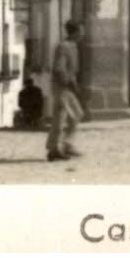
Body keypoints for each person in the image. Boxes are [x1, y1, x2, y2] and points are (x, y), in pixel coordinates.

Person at [46, 20, 84, 161]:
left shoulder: (73, 46)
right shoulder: (63, 47)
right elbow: (59, 68)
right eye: (81, 31)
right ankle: (55, 148)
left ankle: (65, 144)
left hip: (68, 86)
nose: (82, 34)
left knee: (76, 114)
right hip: (62, 86)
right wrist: (68, 82)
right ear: (74, 32)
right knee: (61, 117)